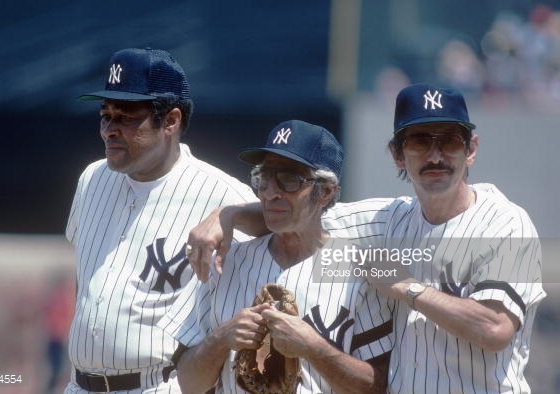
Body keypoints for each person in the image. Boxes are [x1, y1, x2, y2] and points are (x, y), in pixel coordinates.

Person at [185, 84, 546, 393]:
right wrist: (226, 216)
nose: (436, 155)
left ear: (471, 149)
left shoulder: (506, 222)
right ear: (398, 155)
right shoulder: (387, 220)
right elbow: (301, 215)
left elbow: (495, 329)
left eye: (450, 141)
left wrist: (409, 289)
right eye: (420, 141)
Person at [64, 47, 256, 393]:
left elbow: (296, 225)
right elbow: (86, 283)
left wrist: (233, 214)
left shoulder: (220, 193)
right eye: (105, 115)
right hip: (80, 384)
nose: (109, 129)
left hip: (158, 384)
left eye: (125, 117)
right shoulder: (91, 179)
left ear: (170, 121)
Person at [160, 120, 394, 394]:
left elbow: (378, 388)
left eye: (288, 179)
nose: (271, 192)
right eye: (264, 178)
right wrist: (221, 339)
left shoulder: (358, 268)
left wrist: (315, 348)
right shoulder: (227, 262)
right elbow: (187, 383)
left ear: (326, 191)